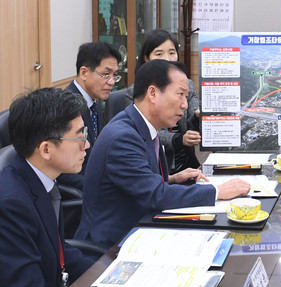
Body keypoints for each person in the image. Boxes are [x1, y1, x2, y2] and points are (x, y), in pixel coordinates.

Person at [75, 60, 250, 247]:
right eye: (180, 95)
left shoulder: (140, 125)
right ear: (153, 93)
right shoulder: (123, 138)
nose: (184, 105)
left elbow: (138, 183)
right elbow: (156, 196)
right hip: (113, 243)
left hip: (142, 227)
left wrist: (171, 179)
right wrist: (218, 191)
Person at [0, 88, 95, 287]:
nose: (86, 145)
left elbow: (57, 249)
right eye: (80, 137)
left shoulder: (41, 177)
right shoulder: (11, 206)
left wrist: (106, 273)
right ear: (45, 149)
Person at [125, 29, 201, 174]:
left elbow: (191, 117)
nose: (167, 59)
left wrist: (198, 116)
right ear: (146, 58)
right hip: (159, 167)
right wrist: (179, 139)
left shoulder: (187, 85)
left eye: (172, 53)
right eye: (159, 54)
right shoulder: (136, 92)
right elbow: (143, 131)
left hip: (187, 164)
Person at [58, 42, 122, 190]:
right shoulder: (65, 107)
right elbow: (62, 168)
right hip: (80, 188)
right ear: (84, 73)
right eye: (106, 74)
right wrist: (100, 186)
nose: (111, 82)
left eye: (115, 75)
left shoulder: (93, 103)